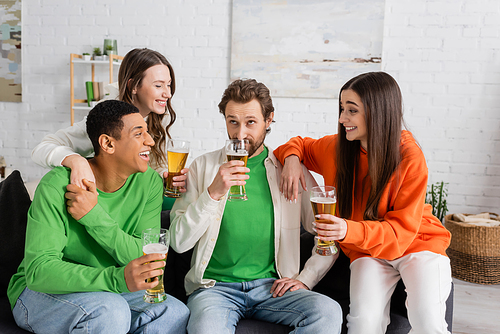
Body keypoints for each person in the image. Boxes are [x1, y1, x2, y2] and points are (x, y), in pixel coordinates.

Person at [274, 71, 452, 334]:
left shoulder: (410, 158)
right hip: (366, 251)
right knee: (363, 324)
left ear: (378, 112)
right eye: (342, 108)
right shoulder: (337, 149)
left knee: (429, 323)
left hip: (417, 244)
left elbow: (401, 233)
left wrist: (347, 230)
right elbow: (297, 144)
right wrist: (291, 159)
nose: (342, 118)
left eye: (351, 111)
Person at [169, 79, 342, 333]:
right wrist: (213, 193)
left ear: (268, 120)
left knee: (328, 312)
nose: (240, 135)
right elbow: (178, 241)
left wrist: (306, 279)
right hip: (215, 290)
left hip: (273, 288)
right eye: (233, 122)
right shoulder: (202, 167)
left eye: (250, 122)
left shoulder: (290, 171)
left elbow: (327, 234)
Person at [7, 100, 190, 334]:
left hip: (106, 289)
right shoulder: (57, 185)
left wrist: (93, 216)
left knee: (174, 313)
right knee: (110, 311)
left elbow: (141, 255)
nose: (151, 141)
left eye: (147, 132)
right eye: (138, 134)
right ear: (107, 143)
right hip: (41, 292)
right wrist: (116, 279)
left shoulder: (150, 183)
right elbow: (39, 272)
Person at [31, 48, 187, 210]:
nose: (168, 94)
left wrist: (166, 175)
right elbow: (41, 149)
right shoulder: (108, 120)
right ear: (133, 86)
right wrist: (76, 161)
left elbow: (153, 166)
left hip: (143, 197)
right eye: (158, 85)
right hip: (111, 204)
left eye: (169, 85)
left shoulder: (157, 116)